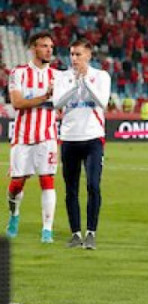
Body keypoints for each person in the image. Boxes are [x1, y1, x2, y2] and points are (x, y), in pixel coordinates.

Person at [53, 39, 111, 249]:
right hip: (69, 138)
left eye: (78, 54)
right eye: (72, 54)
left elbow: (103, 102)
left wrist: (85, 81)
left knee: (93, 185)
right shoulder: (62, 77)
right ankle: (76, 234)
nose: (74, 58)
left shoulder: (101, 76)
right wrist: (74, 85)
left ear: (88, 55)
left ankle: (91, 233)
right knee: (71, 189)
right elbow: (57, 103)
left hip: (93, 137)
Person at [7, 32, 58, 242]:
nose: (49, 50)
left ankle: (47, 230)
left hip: (48, 136)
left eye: (51, 46)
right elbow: (17, 103)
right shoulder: (18, 73)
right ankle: (14, 215)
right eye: (44, 46)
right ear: (33, 48)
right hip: (22, 137)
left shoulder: (58, 76)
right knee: (17, 184)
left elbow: (63, 105)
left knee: (47, 180)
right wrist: (45, 97)